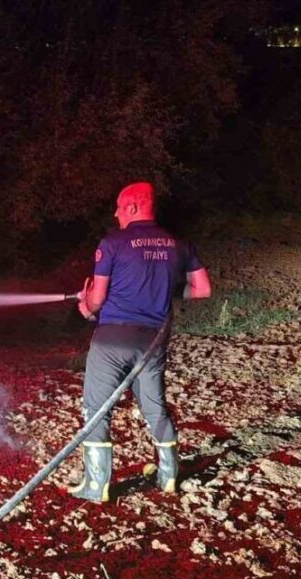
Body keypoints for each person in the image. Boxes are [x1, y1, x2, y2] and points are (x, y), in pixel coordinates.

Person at [69, 181, 212, 502]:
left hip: (112, 341)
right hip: (153, 343)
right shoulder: (179, 244)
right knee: (154, 406)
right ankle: (168, 475)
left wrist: (85, 303)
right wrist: (165, 292)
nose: (116, 213)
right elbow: (203, 290)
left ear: (133, 207)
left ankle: (97, 484)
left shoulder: (113, 242)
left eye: (119, 207)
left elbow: (97, 300)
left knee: (97, 409)